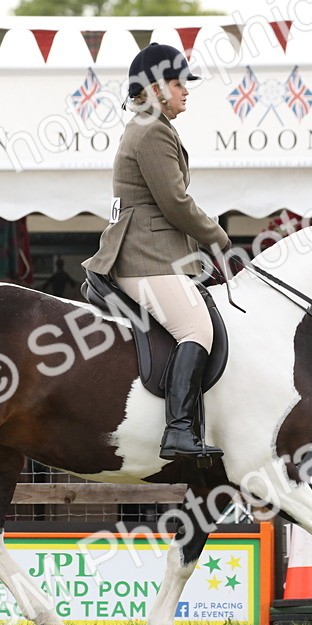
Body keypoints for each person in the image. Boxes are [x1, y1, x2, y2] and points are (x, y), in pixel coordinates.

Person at [82, 42, 231, 464]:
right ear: (155, 87)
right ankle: (179, 430)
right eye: (177, 82)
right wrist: (219, 238)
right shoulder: (151, 130)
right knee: (196, 331)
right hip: (143, 257)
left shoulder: (154, 126)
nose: (186, 90)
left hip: (157, 252)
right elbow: (176, 203)